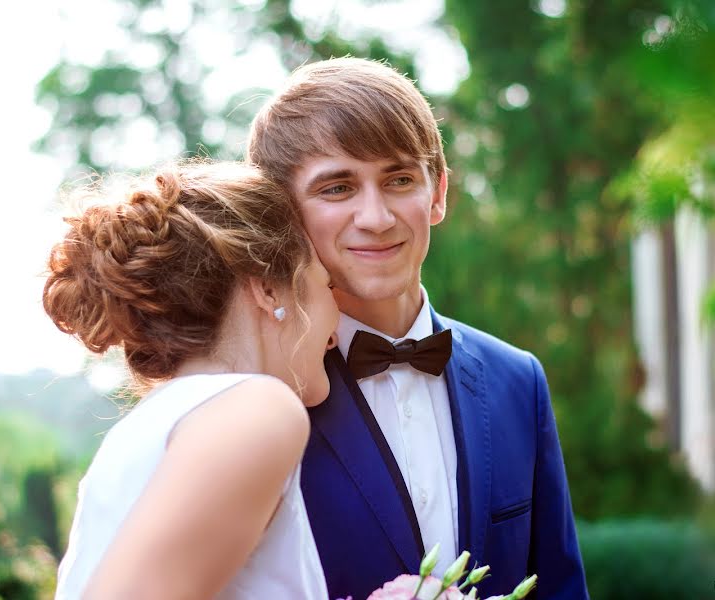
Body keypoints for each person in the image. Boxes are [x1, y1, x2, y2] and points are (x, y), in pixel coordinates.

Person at [247, 57, 590, 599]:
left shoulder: (517, 380)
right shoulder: (255, 395)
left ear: (439, 193)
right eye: (337, 188)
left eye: (400, 178)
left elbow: (559, 587)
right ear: (285, 215)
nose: (376, 217)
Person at [45, 161, 338, 599]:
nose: (338, 329)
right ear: (269, 290)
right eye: (328, 285)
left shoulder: (159, 421)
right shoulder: (258, 409)